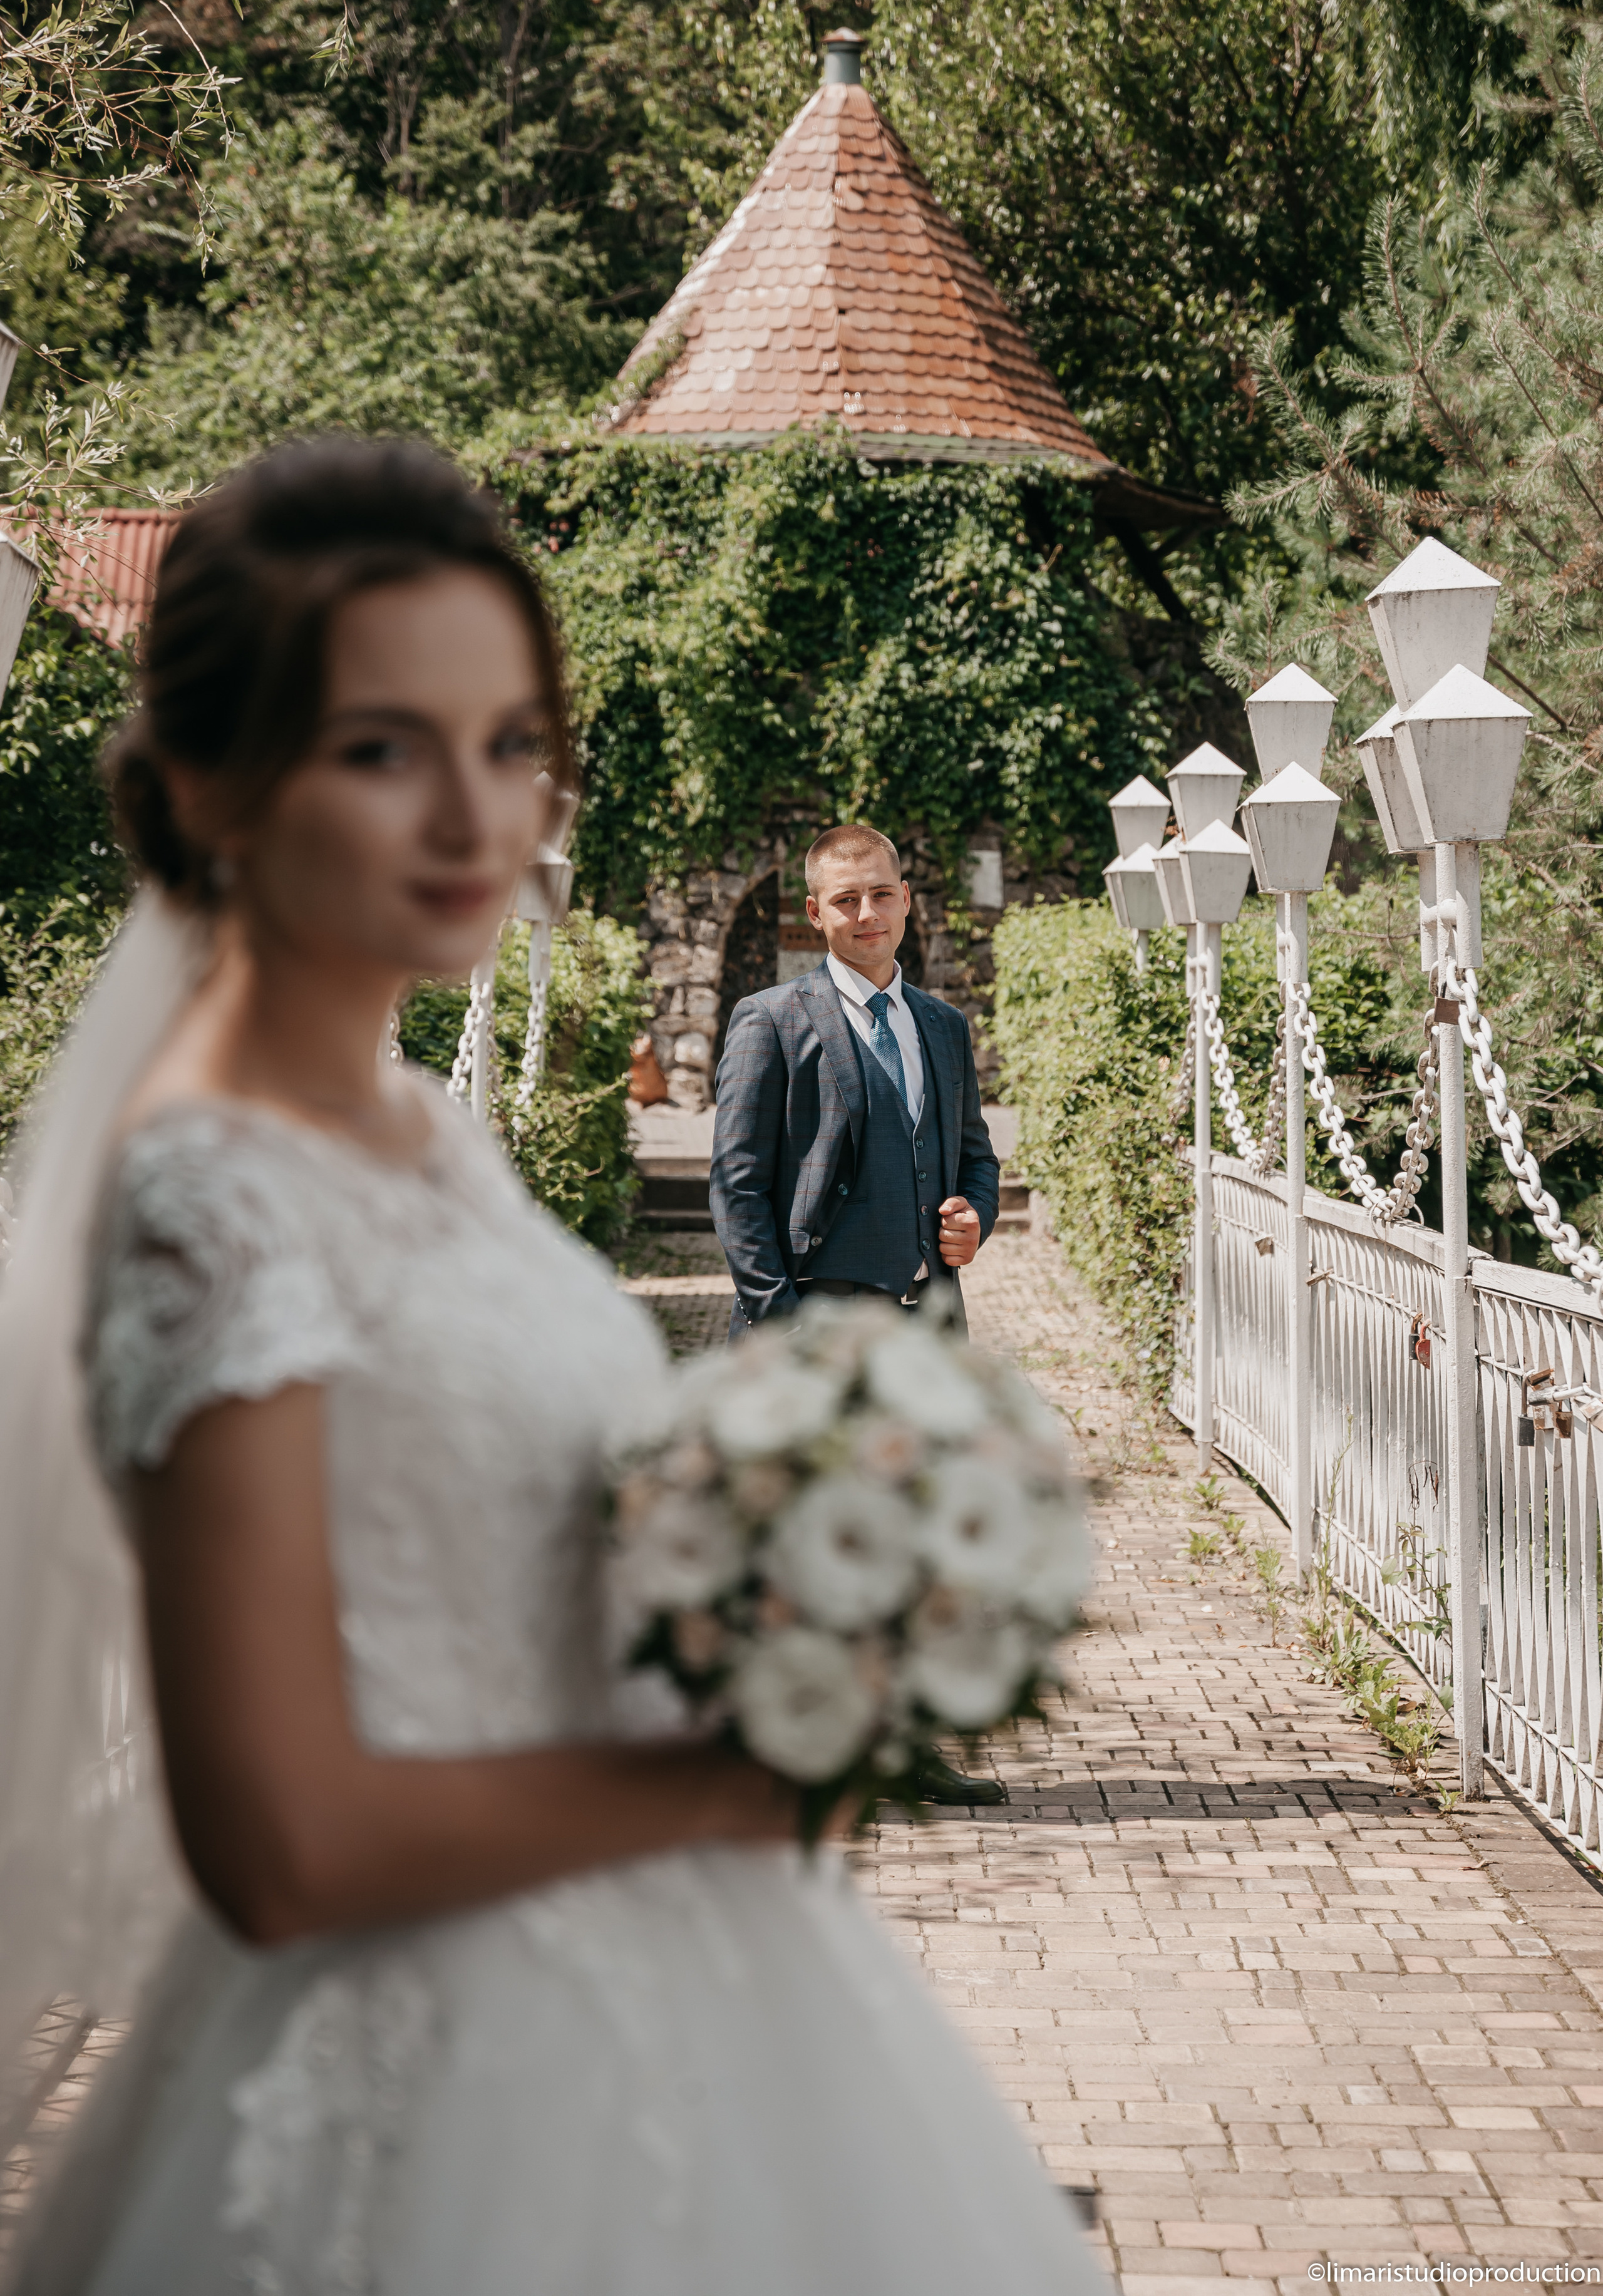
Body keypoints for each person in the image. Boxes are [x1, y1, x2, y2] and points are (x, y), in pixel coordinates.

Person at [0, 440, 1099, 2295]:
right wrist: (731, 1785)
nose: (471, 813)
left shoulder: (427, 1131)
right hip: (431, 2073)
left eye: (510, 743)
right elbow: (280, 1841)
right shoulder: (206, 1198)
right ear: (208, 781)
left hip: (672, 1982)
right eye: (382, 746)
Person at [709, 824, 1009, 1808]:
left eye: (881, 893)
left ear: (906, 899)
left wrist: (974, 1218)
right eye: (846, 900)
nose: (867, 913)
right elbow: (737, 1188)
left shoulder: (944, 1028)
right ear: (816, 914)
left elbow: (974, 1158)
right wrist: (782, 1323)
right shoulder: (771, 1020)